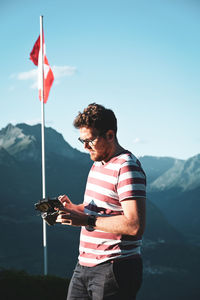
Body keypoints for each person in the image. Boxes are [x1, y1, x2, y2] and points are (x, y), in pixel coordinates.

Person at [56, 103, 146, 300]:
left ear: (110, 135)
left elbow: (134, 225)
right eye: (82, 140)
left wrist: (87, 220)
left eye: (90, 140)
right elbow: (102, 209)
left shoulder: (127, 167)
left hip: (115, 268)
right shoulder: (98, 163)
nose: (85, 146)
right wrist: (74, 209)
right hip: (84, 265)